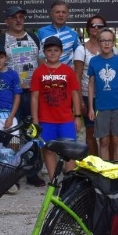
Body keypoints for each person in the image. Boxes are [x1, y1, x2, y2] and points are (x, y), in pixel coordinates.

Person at [0, 5, 45, 187]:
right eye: (14, 17)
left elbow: (41, 62)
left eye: (21, 16)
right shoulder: (0, 40)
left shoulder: (34, 38)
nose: (18, 20)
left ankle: (32, 172)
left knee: (32, 132)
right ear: (7, 21)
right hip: (9, 94)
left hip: (32, 93)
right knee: (11, 133)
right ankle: (10, 172)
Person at [30, 36, 82, 179]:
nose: (52, 53)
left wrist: (77, 116)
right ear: (44, 53)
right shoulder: (39, 72)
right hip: (46, 119)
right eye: (49, 50)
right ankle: (53, 181)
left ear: (61, 52)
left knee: (69, 150)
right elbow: (34, 97)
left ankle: (69, 179)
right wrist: (35, 120)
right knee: (48, 149)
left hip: (65, 119)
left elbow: (75, 94)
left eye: (56, 50)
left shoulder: (68, 71)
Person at [87, 28, 118, 161]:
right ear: (98, 42)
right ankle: (105, 168)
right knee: (104, 140)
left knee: (117, 139)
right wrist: (91, 107)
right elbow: (91, 85)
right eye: (103, 41)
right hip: (101, 106)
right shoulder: (94, 61)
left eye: (109, 40)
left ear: (113, 43)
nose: (106, 43)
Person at [0, 43, 23, 194]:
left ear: (6, 57)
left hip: (10, 117)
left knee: (13, 145)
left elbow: (17, 96)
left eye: (1, 57)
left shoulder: (13, 74)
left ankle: (10, 177)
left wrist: (11, 116)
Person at [72, 15, 107, 157]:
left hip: (107, 96)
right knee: (91, 131)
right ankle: (94, 162)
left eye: (100, 26)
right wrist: (80, 101)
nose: (96, 28)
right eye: (93, 25)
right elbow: (77, 76)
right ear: (88, 28)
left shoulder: (111, 48)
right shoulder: (81, 50)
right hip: (88, 96)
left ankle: (109, 162)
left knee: (108, 132)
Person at [36, 0, 81, 66]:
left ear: (68, 15)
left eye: (64, 12)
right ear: (51, 14)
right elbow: (37, 54)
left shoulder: (73, 34)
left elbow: (79, 56)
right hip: (47, 71)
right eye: (57, 12)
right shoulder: (41, 32)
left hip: (67, 71)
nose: (61, 15)